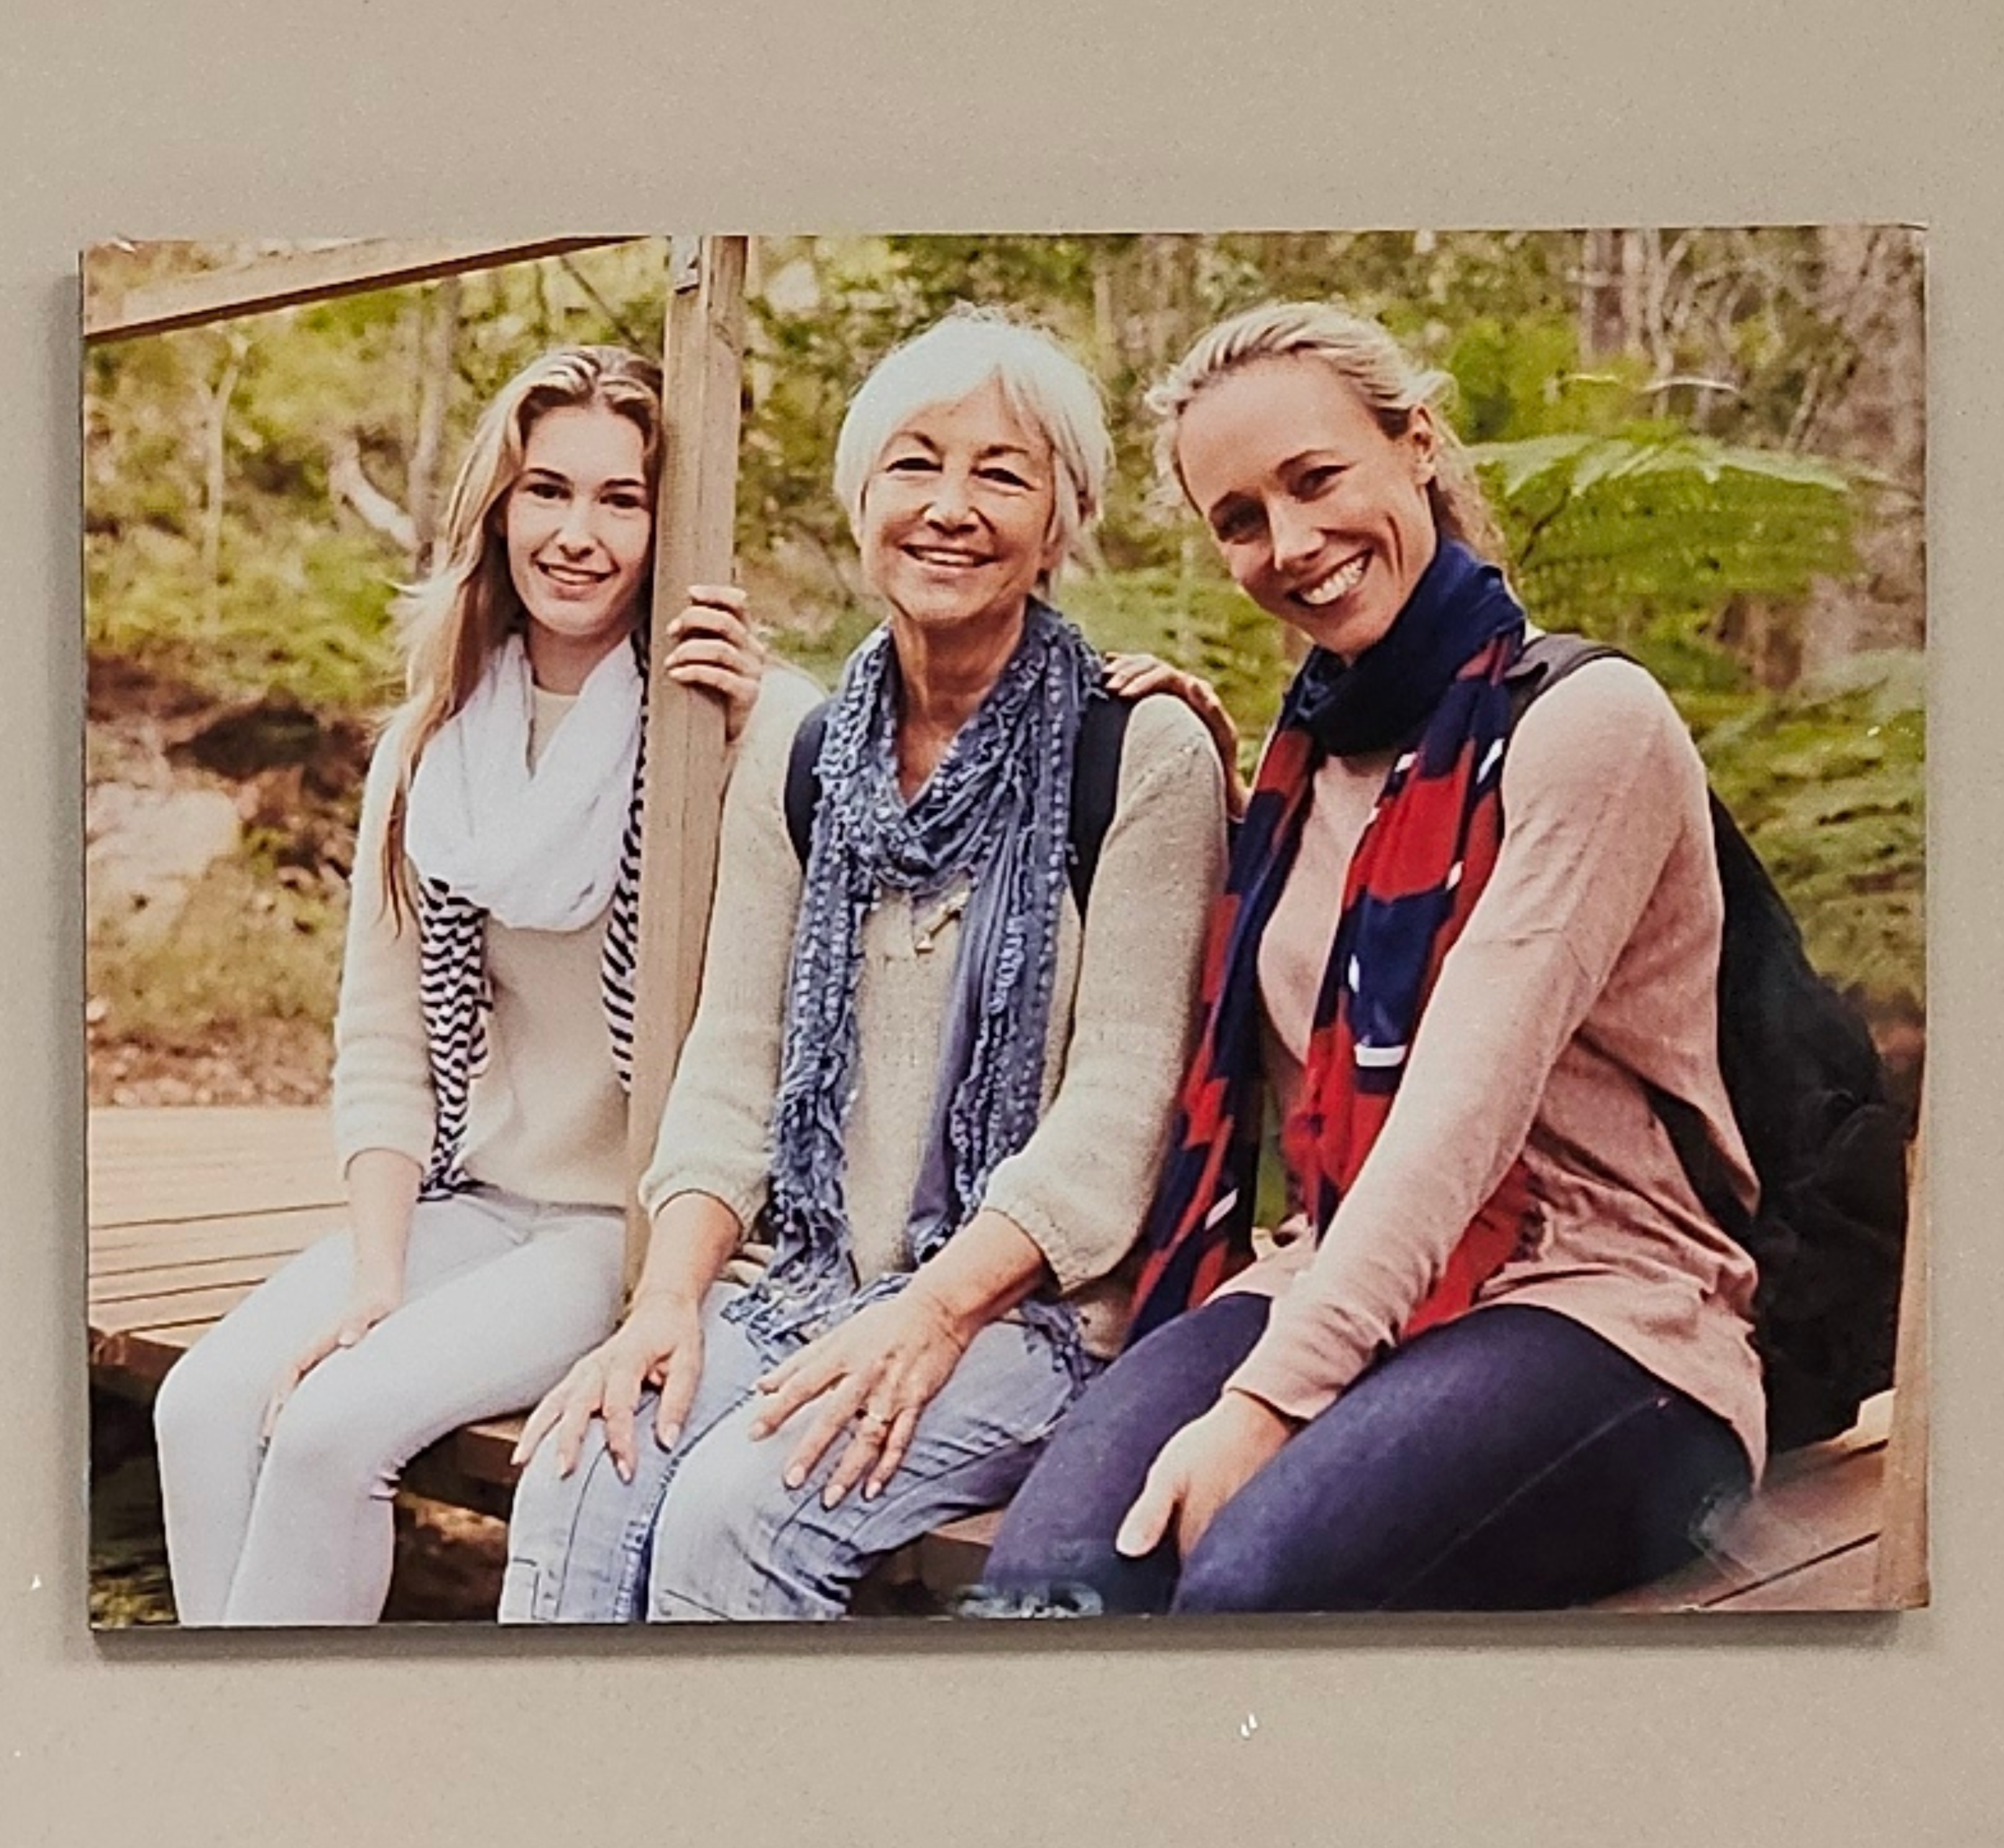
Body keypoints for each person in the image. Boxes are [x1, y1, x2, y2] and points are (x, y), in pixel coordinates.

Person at [979, 301, 1765, 1615]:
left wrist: (1265, 1402)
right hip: (1341, 1269)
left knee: (1248, 1587)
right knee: (1051, 1580)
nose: (1291, 545)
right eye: (1239, 519)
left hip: (1609, 1312)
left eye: (1315, 478)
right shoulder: (1303, 771)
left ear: (1417, 446)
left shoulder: (1588, 727)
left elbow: (1457, 1110)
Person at [499, 310, 1227, 1623]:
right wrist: (666, 1299)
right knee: (577, 1469)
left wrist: (934, 1314)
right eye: (915, 463)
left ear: (1063, 521)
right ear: (861, 501)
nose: (951, 507)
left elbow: (1122, 1111)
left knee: (734, 1518)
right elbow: (732, 1065)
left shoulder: (1146, 753)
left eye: (1002, 472)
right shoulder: (805, 755)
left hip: (1024, 1321)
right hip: (807, 1279)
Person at [153, 344, 770, 1626]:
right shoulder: (433, 749)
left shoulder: (732, 728)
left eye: (623, 498)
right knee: (203, 1404)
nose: (580, 534)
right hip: (468, 1200)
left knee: (330, 1436)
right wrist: (377, 1273)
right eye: (549, 491)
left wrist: (766, 730)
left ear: (670, 524)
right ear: (498, 506)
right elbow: (382, 1046)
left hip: (625, 1226)